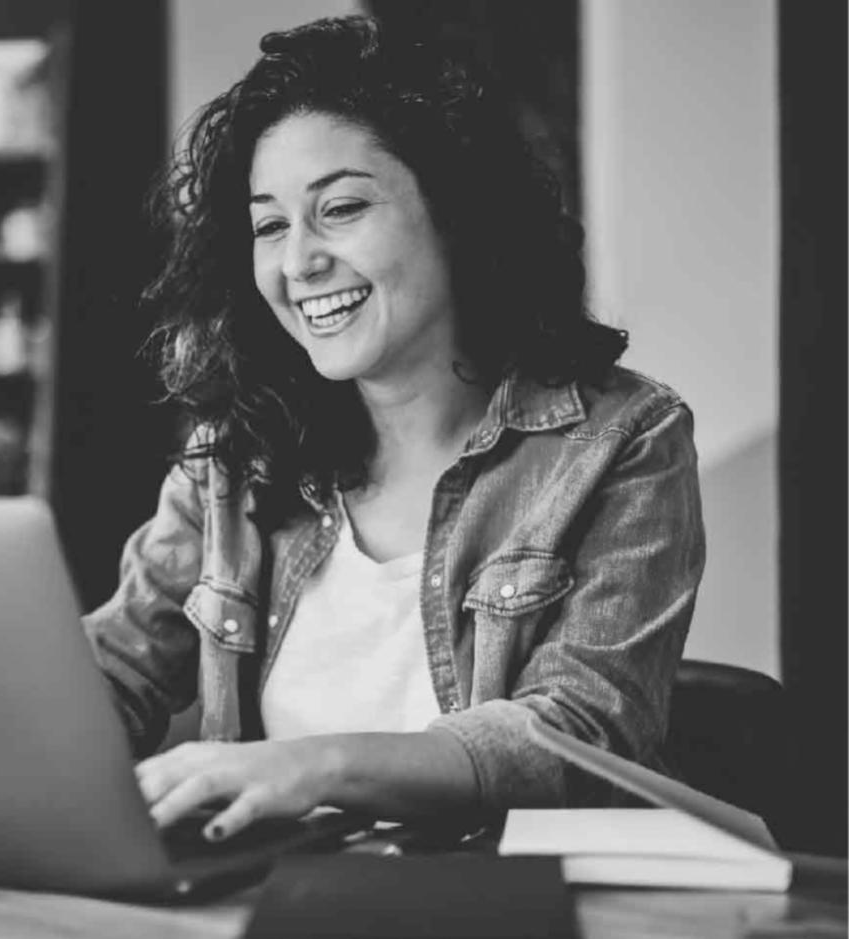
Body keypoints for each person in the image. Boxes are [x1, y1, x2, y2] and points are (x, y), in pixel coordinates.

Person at [82, 13, 705, 844]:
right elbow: (112, 671)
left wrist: (313, 765)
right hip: (259, 909)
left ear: (457, 213)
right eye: (269, 223)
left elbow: (579, 738)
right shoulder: (235, 458)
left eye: (339, 208)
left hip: (518, 916)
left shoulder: (624, 441)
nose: (298, 261)